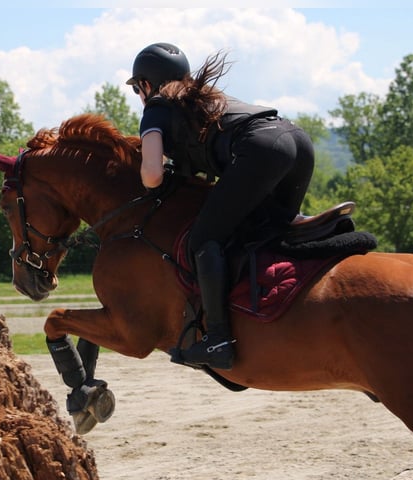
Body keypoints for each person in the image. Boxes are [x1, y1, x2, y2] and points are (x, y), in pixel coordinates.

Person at [126, 42, 315, 371]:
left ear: (145, 84)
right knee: (266, 232)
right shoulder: (200, 98)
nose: (139, 95)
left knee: (203, 239)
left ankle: (219, 340)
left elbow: (153, 174)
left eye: (137, 88)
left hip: (261, 149)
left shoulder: (158, 105)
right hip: (296, 139)